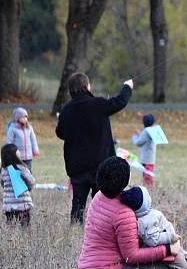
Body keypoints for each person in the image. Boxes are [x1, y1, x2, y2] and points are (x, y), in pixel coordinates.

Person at [78, 157, 187, 269]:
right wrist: (167, 250)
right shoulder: (124, 213)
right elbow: (131, 256)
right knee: (175, 267)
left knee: (184, 258)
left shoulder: (99, 197)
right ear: (125, 181)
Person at [55, 72, 133, 223]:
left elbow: (60, 133)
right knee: (101, 203)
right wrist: (127, 87)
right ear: (87, 86)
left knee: (77, 204)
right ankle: (98, 227)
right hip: (100, 165)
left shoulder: (66, 110)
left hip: (77, 166)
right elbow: (120, 102)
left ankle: (76, 228)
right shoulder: (98, 104)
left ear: (71, 89)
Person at [119, 185, 187, 269]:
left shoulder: (146, 214)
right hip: (166, 245)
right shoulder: (146, 221)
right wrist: (170, 236)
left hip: (171, 244)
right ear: (146, 203)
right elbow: (153, 240)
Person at [0, 143, 35, 226]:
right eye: (17, 150)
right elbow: (31, 181)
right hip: (23, 204)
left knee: (11, 226)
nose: (19, 151)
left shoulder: (3, 170)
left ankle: (12, 238)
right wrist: (29, 187)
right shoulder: (21, 168)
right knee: (24, 226)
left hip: (9, 206)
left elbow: (2, 183)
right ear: (14, 154)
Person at [131, 113, 161, 188]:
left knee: (147, 176)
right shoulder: (153, 131)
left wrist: (135, 135)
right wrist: (140, 134)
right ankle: (148, 187)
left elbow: (138, 142)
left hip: (146, 159)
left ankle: (148, 189)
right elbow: (145, 139)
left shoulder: (146, 132)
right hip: (150, 159)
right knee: (148, 175)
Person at [6, 107, 39, 171]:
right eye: (23, 117)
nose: (25, 119)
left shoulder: (29, 128)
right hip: (17, 156)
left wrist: (35, 149)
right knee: (19, 171)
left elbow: (33, 139)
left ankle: (28, 181)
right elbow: (9, 142)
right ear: (17, 118)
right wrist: (10, 153)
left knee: (28, 171)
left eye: (26, 117)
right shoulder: (12, 129)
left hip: (28, 156)